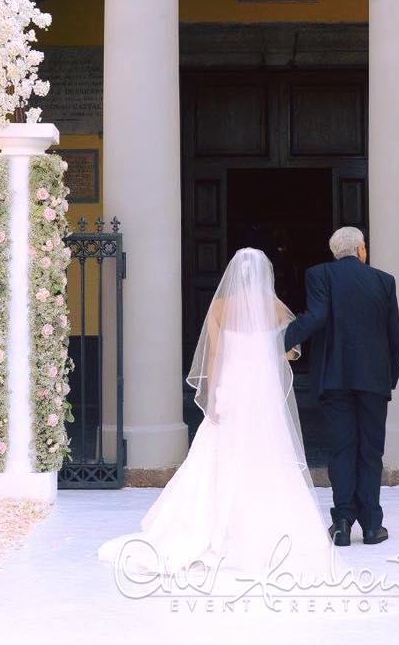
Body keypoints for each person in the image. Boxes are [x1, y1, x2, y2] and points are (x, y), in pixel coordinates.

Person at [98, 248, 334, 580]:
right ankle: (270, 529)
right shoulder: (275, 307)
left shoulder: (221, 307)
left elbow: (214, 356)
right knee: (266, 452)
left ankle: (212, 528)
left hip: (233, 389)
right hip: (261, 394)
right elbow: (292, 349)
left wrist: (212, 395)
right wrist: (275, 356)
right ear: (265, 275)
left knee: (218, 454)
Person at [284, 227, 399, 547]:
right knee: (370, 453)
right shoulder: (384, 281)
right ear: (361, 250)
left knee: (342, 450)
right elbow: (394, 339)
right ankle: (373, 526)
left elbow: (317, 316)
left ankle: (342, 524)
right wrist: (388, 379)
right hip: (374, 383)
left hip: (335, 380)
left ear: (334, 251)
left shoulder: (319, 275)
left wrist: (281, 339)